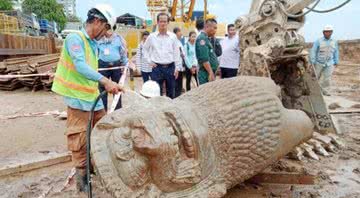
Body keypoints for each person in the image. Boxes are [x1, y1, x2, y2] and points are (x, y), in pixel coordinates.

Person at [51, 4, 124, 193]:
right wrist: (106, 82)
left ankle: (96, 169)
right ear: (98, 21)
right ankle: (82, 182)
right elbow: (80, 66)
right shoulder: (76, 38)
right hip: (77, 99)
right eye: (107, 27)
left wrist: (111, 84)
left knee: (101, 133)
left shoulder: (93, 43)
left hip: (92, 98)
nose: (106, 32)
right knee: (80, 140)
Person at [143, 13, 182, 99]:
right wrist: (149, 61)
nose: (163, 23)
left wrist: (177, 68)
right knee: (156, 94)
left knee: (171, 93)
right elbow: (144, 49)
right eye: (161, 21)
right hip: (157, 68)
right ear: (157, 22)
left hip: (170, 67)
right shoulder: (152, 37)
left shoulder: (173, 37)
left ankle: (170, 111)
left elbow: (176, 53)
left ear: (168, 23)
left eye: (165, 21)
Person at [97, 25, 128, 111]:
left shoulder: (119, 39)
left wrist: (126, 64)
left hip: (116, 66)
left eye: (111, 28)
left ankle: (117, 111)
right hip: (102, 66)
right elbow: (95, 53)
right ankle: (102, 111)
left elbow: (123, 53)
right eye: (107, 28)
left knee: (117, 89)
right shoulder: (98, 39)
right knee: (102, 89)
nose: (109, 31)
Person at [310, 25, 339, 96]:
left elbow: (336, 51)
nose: (328, 33)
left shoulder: (334, 41)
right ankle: (313, 91)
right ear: (323, 32)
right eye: (326, 32)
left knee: (327, 78)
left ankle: (325, 91)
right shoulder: (318, 41)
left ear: (332, 32)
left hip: (329, 63)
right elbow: (313, 50)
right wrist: (312, 60)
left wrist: (336, 60)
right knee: (315, 77)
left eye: (329, 32)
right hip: (319, 62)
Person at [196, 18, 219, 85]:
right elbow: (204, 59)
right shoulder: (202, 39)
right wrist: (210, 73)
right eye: (214, 28)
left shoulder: (206, 38)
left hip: (208, 72)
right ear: (207, 27)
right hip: (205, 74)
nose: (215, 30)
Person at [173, 27, 186, 97]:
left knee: (179, 83)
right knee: (176, 83)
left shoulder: (179, 42)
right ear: (176, 33)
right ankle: (176, 97)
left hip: (180, 67)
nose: (181, 33)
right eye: (180, 32)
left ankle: (178, 95)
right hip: (176, 67)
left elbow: (183, 53)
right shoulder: (174, 42)